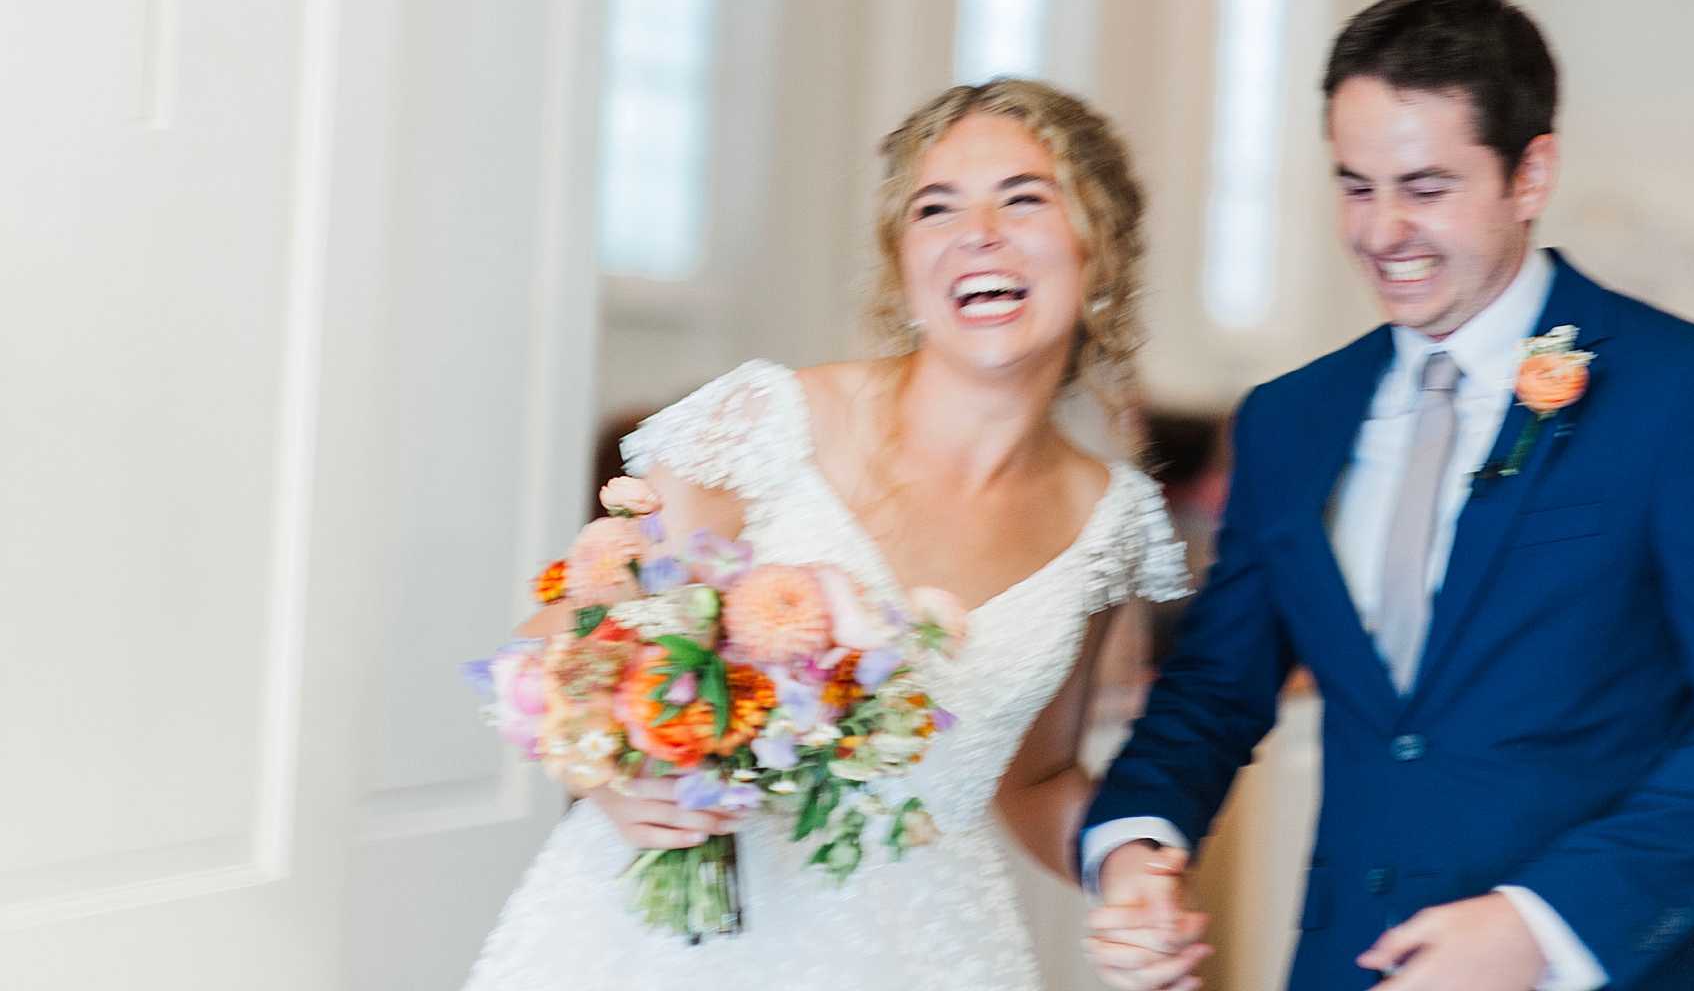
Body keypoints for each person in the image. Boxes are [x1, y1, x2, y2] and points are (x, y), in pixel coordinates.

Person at [1081, 0, 1694, 991]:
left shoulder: (1686, 393)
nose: (1381, 229)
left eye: (1425, 187)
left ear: (1530, 175)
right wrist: (1136, 846)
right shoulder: (1290, 419)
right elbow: (1216, 689)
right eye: (1355, 186)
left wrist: (1540, 924)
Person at [463, 78, 1190, 990]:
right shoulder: (769, 426)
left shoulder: (1108, 523)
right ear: (903, 263)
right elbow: (549, 644)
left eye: (1024, 197)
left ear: (1099, 248)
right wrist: (615, 779)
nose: (979, 233)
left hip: (927, 952)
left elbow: (1035, 779)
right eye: (937, 207)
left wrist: (1131, 875)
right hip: (677, 947)